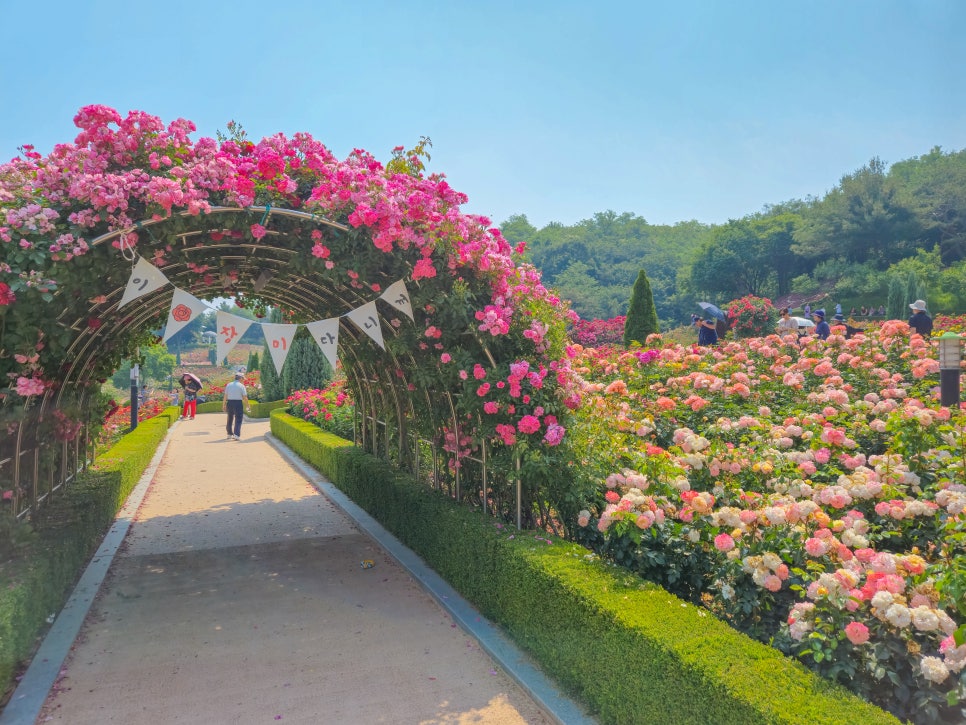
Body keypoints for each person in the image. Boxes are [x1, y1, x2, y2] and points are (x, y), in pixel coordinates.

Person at [223, 372, 250, 440]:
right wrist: (248, 405)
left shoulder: (229, 385)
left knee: (229, 418)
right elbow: (245, 397)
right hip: (238, 403)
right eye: (243, 378)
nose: (243, 380)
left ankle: (229, 434)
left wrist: (223, 405)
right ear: (240, 378)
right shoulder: (241, 386)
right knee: (238, 418)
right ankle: (236, 435)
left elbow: (225, 396)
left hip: (230, 402)